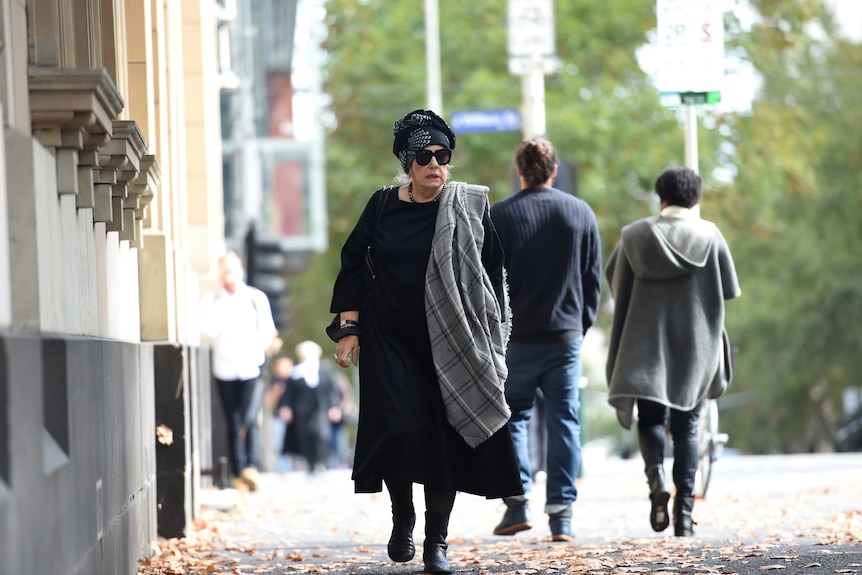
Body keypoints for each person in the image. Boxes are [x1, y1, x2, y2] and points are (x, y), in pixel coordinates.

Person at [329, 109, 523, 574]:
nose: (435, 164)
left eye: (442, 155)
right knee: (397, 430)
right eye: (424, 157)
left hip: (451, 340)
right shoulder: (381, 205)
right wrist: (349, 328)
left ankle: (437, 541)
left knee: (443, 440)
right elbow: (354, 260)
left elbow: (494, 271)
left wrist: (494, 335)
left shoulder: (470, 206)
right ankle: (403, 519)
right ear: (407, 162)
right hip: (389, 338)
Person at [604, 166, 741, 536]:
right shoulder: (711, 237)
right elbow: (728, 289)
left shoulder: (634, 236)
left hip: (645, 344)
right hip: (696, 346)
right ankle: (683, 516)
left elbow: (615, 280)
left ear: (659, 197)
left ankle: (657, 482)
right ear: (695, 199)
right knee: (687, 427)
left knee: (649, 419)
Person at [488, 138, 602, 542]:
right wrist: (580, 325)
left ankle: (517, 503)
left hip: (515, 337)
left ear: (519, 172)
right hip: (564, 336)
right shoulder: (579, 213)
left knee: (513, 416)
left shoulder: (498, 216)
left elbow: (486, 283)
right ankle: (561, 516)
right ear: (555, 171)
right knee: (564, 420)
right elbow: (592, 280)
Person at [201, 250, 282, 491]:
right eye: (224, 271)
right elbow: (208, 331)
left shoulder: (256, 298)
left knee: (249, 416)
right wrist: (218, 298)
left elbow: (268, 329)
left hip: (251, 366)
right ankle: (239, 471)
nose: (229, 275)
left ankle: (251, 467)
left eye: (232, 270)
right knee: (233, 419)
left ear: (241, 271)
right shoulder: (212, 300)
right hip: (224, 368)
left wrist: (267, 344)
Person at [277, 340, 343, 474]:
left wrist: (334, 407)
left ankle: (319, 460)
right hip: (300, 412)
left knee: (321, 435)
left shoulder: (325, 372)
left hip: (320, 410)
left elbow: (332, 391)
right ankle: (310, 462)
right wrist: (285, 407)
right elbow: (287, 393)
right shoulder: (295, 373)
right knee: (304, 436)